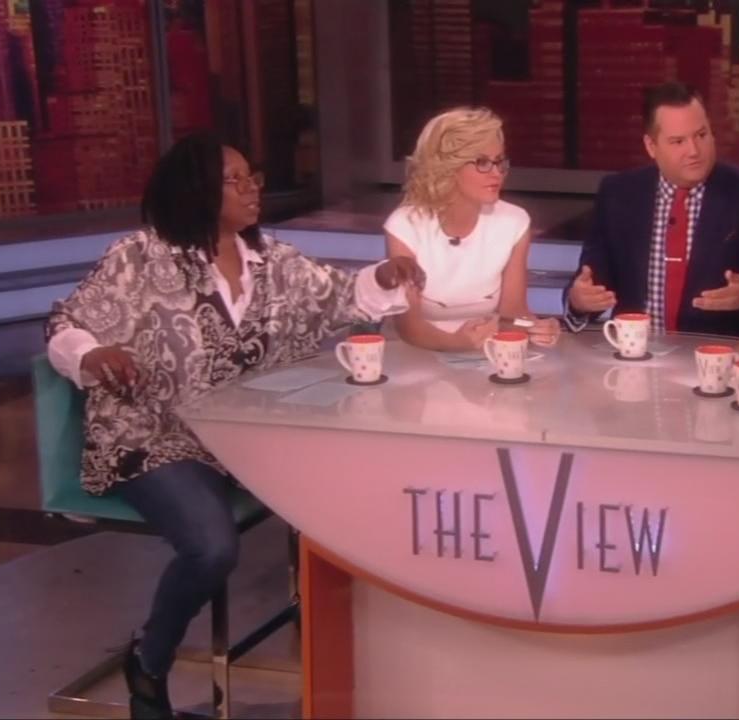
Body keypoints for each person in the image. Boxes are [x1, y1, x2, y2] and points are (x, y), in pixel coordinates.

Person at [46, 132, 424, 719]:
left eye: (254, 178)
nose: (253, 190)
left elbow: (340, 295)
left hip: (249, 439)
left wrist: (387, 274)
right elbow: (66, 325)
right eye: (236, 180)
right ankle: (149, 659)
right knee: (211, 547)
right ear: (196, 188)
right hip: (155, 437)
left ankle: (358, 663)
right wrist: (92, 354)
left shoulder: (273, 261)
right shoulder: (138, 258)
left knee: (349, 492)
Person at [564, 81, 739, 337]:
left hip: (719, 355)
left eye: (701, 135)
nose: (694, 151)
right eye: (678, 141)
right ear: (651, 146)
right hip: (635, 354)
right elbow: (590, 285)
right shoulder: (618, 195)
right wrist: (579, 301)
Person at [384, 107, 561, 351]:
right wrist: (455, 343)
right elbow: (408, 326)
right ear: (448, 167)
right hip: (415, 351)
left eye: (499, 162)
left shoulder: (514, 222)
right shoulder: (405, 225)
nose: (496, 173)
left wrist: (534, 326)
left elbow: (511, 315)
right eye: (482, 162)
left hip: (482, 353)